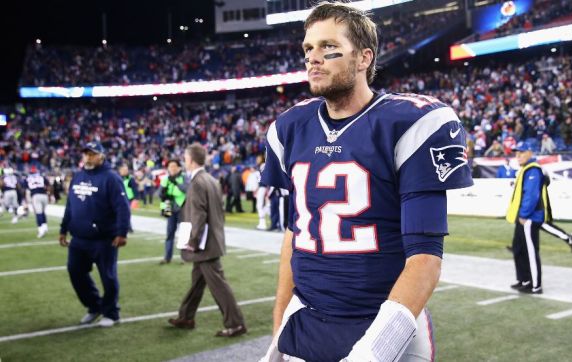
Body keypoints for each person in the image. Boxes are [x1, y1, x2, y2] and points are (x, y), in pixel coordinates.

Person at [259, 3, 473, 361]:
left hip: (387, 326)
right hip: (307, 324)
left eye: (328, 47)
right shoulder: (289, 128)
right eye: (308, 48)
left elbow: (425, 258)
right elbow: (295, 235)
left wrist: (372, 353)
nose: (313, 58)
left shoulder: (412, 123)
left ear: (363, 58)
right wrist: (279, 324)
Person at [168, 143, 246, 337]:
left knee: (218, 285)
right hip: (212, 240)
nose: (184, 162)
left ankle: (235, 323)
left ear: (191, 160)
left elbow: (198, 216)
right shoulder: (211, 179)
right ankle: (186, 316)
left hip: (204, 245)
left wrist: (193, 241)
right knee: (197, 282)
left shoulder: (197, 182)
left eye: (185, 159)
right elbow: (219, 212)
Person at [59, 141, 130, 327]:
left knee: (108, 277)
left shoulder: (111, 178)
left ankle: (111, 313)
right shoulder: (78, 176)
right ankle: (95, 306)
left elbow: (122, 207)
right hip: (79, 238)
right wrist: (63, 228)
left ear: (101, 156)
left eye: (92, 154)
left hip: (103, 239)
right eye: (86, 154)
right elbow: (70, 206)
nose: (88, 157)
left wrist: (122, 232)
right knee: (75, 271)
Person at [506, 141, 546, 294]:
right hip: (522, 217)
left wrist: (523, 214)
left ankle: (536, 285)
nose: (518, 156)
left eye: (521, 152)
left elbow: (531, 195)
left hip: (529, 218)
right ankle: (524, 279)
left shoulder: (533, 170)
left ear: (530, 152)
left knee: (530, 251)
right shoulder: (525, 169)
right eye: (516, 153)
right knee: (518, 248)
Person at [159, 159, 188, 264]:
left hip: (182, 207)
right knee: (169, 233)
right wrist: (163, 194)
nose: (172, 168)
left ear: (179, 167)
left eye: (174, 166)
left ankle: (184, 257)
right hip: (168, 206)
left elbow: (187, 189)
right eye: (170, 166)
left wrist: (176, 182)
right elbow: (160, 193)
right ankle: (167, 257)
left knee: (184, 233)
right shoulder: (165, 179)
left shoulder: (184, 177)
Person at [26, 166, 51, 238]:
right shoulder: (41, 177)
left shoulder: (28, 178)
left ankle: (41, 230)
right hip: (44, 195)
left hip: (36, 196)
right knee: (42, 212)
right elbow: (49, 186)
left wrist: (27, 200)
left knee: (38, 213)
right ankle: (45, 226)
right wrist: (49, 195)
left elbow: (26, 189)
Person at [118, 163, 137, 232]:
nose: (125, 171)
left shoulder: (130, 178)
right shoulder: (117, 177)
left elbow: (134, 188)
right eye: (123, 170)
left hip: (128, 198)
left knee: (126, 213)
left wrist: (135, 198)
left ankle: (129, 227)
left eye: (126, 170)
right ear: (120, 170)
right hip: (119, 198)